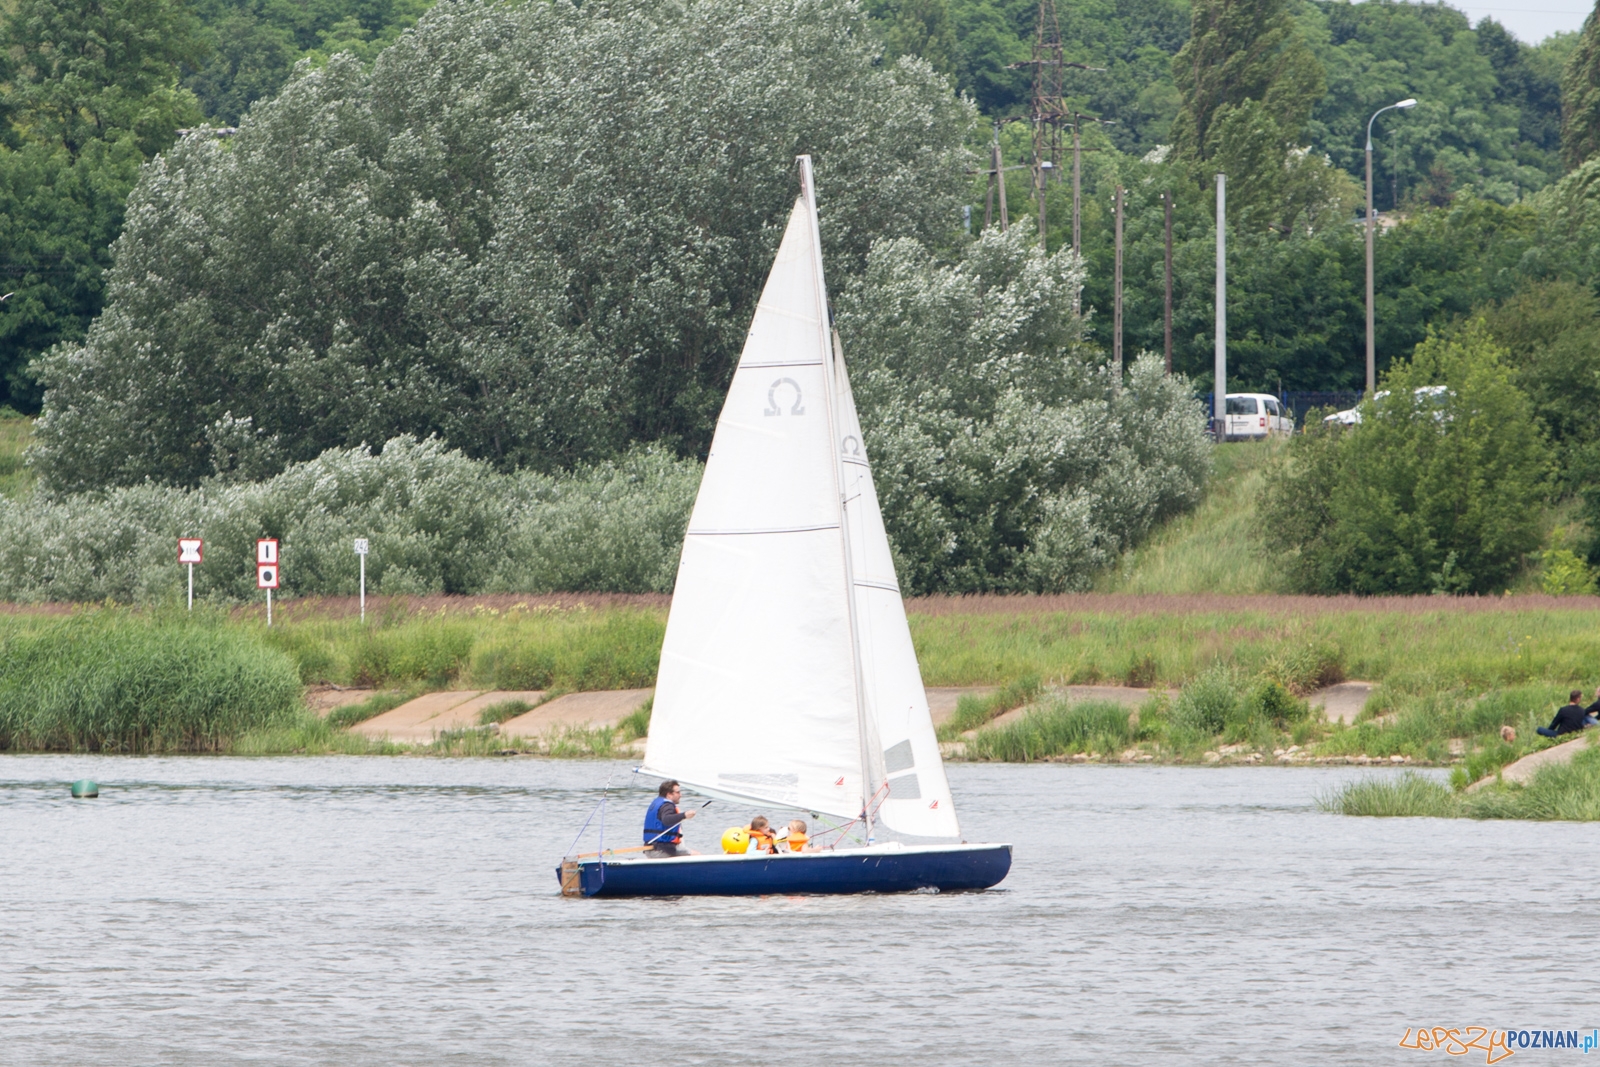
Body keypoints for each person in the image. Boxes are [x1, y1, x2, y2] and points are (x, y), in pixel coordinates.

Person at [643, 780, 697, 857]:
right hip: (662, 850)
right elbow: (666, 819)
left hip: (651, 849)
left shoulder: (657, 803)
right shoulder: (667, 805)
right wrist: (684, 815)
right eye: (678, 792)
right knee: (696, 855)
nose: (680, 795)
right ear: (669, 795)